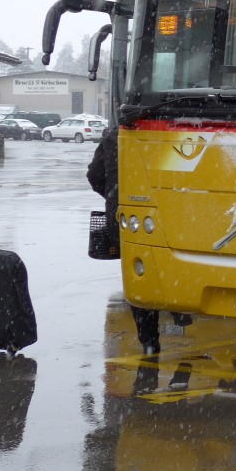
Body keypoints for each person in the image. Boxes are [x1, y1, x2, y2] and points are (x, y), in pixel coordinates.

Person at [88, 128, 161, 355]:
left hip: (125, 218)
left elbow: (94, 175)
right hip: (161, 214)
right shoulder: (166, 133)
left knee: (139, 277)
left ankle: (149, 340)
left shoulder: (114, 136)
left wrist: (113, 194)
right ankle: (179, 310)